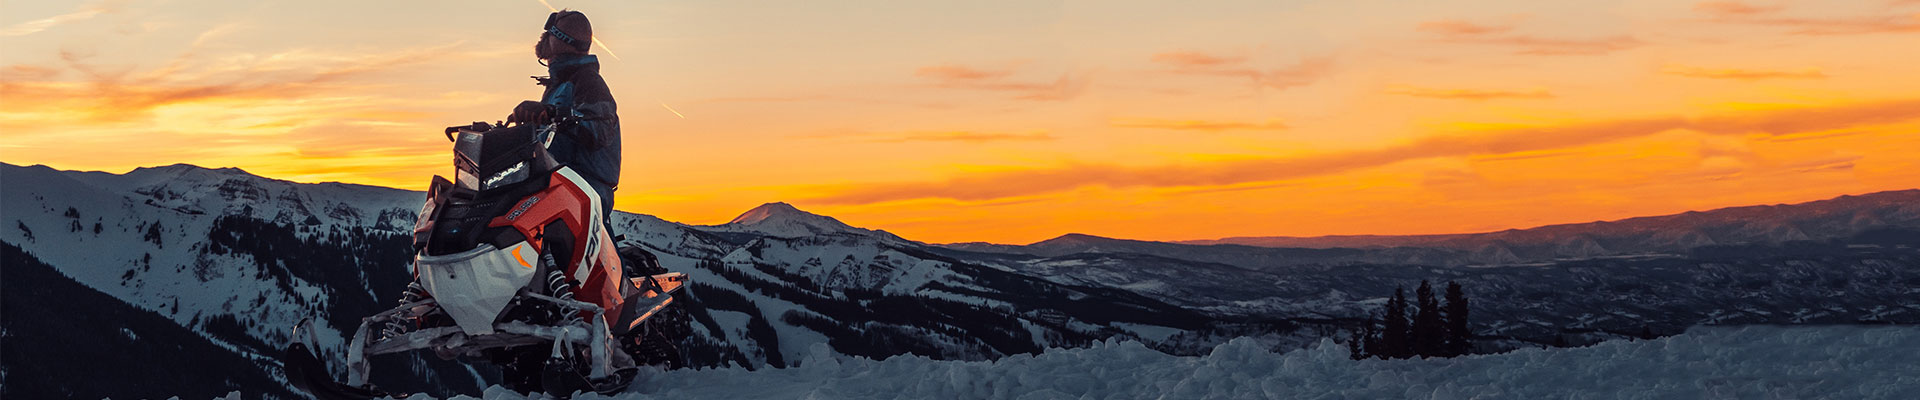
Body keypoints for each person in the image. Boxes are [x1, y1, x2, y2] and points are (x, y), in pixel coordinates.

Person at [510, 10, 621, 220]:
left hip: (583, 187)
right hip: (557, 182)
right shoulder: (559, 85)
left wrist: (555, 114)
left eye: (548, 36)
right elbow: (550, 135)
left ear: (557, 41)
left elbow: (600, 131)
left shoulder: (588, 82)